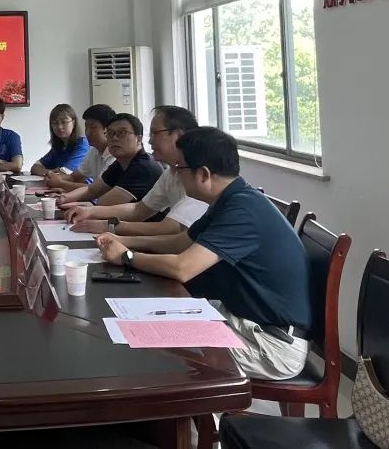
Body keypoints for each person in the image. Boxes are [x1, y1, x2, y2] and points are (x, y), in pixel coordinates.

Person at [96, 127, 312, 381]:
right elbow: (179, 243)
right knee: (141, 326)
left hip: (270, 344)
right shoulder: (232, 198)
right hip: (243, 320)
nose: (175, 173)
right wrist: (123, 241)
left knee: (152, 349)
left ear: (204, 174)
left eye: (180, 168)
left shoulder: (243, 210)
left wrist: (127, 257)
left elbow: (183, 268)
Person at [67, 105, 207, 236]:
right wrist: (90, 211)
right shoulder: (171, 173)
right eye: (110, 134)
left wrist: (110, 227)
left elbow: (172, 228)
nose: (150, 141)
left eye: (155, 133)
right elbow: (139, 210)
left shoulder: (199, 176)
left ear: (178, 135)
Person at [56, 113, 163, 207]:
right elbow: (91, 190)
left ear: (138, 139)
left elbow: (104, 203)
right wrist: (63, 198)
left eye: (122, 133)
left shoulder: (143, 167)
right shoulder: (121, 163)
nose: (114, 138)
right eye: (110, 133)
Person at [39, 103, 116, 192]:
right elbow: (74, 177)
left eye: (93, 127)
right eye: (86, 127)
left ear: (107, 130)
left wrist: (60, 183)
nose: (88, 132)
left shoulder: (114, 155)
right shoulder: (94, 151)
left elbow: (98, 189)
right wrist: (52, 177)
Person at [29, 104, 90, 176]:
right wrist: (50, 172)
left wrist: (49, 172)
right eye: (55, 123)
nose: (59, 127)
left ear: (73, 122)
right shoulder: (59, 146)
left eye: (64, 122)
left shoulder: (82, 144)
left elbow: (65, 173)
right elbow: (34, 168)